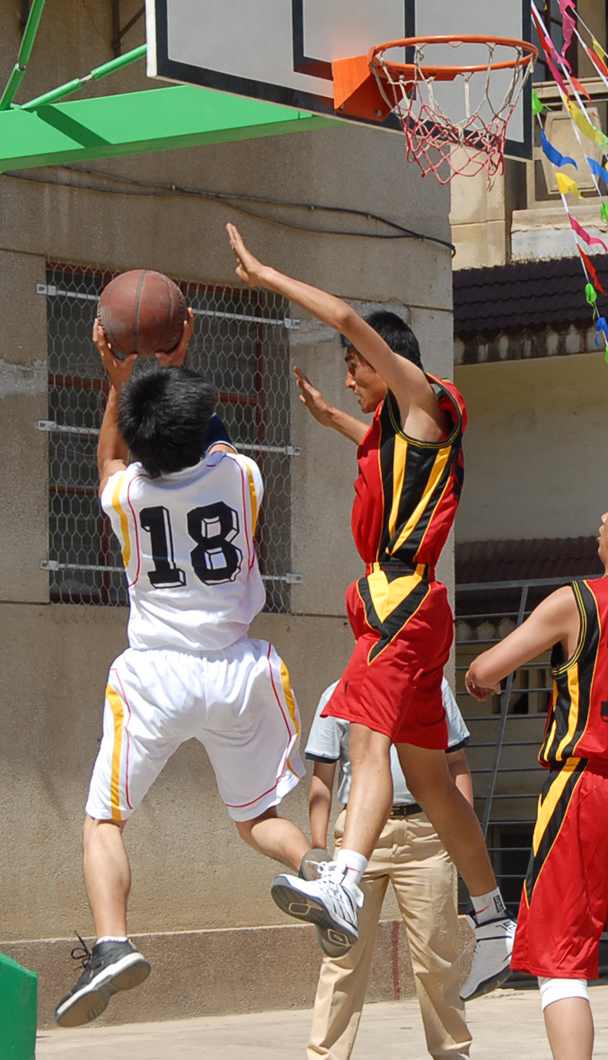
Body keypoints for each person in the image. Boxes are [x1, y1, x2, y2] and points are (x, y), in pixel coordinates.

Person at [226, 221, 514, 1001]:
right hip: (403, 607)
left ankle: (345, 882)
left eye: (354, 367)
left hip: (403, 607)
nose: (350, 376)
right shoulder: (399, 431)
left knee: (363, 738)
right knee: (430, 779)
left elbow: (351, 318)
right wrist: (333, 419)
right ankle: (494, 921)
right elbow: (388, 455)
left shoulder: (428, 402)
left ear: (385, 363)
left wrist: (266, 274)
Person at [55, 320, 310, 1027]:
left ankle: (113, 943)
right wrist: (172, 368)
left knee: (104, 820)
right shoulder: (243, 476)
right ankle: (323, 875)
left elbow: (110, 459)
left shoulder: (128, 497)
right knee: (257, 818)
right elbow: (209, 434)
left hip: (156, 678)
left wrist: (121, 385)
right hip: (238, 673)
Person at [465, 510, 608, 1060]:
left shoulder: (579, 601)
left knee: (561, 961)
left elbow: (486, 669)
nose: (602, 518)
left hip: (586, 786)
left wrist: (480, 679)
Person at [304, 678, 473, 1060]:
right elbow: (323, 778)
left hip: (426, 833)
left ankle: (452, 1053)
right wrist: (317, 850)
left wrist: (464, 833)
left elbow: (456, 762)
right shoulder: (338, 693)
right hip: (359, 834)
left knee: (438, 955)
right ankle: (324, 1055)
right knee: (343, 954)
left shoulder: (434, 686)